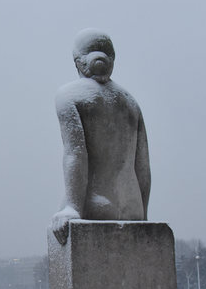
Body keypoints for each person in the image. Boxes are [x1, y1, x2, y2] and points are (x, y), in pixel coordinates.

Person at [51, 30, 150, 245]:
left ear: (78, 61)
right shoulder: (131, 103)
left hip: (95, 205)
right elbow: (142, 167)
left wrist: (72, 208)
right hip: (133, 208)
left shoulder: (70, 96)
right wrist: (143, 214)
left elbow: (75, 155)